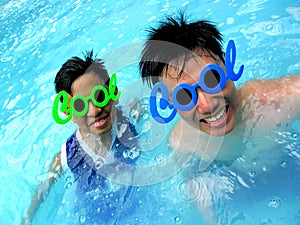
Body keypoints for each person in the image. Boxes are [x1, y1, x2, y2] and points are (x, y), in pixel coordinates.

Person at [139, 12, 300, 224]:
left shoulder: (275, 102)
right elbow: (201, 195)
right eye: (185, 95)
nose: (208, 104)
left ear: (226, 63)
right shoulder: (181, 141)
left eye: (212, 78)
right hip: (242, 197)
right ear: (168, 102)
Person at [22, 51, 142, 225]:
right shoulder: (67, 156)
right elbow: (41, 194)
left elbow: (136, 104)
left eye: (100, 97)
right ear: (68, 112)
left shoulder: (127, 119)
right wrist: (26, 220)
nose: (94, 111)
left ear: (113, 93)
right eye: (80, 105)